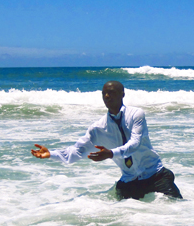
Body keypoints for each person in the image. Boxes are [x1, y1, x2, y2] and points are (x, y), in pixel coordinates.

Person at [31, 81, 182, 200]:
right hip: (129, 182)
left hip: (155, 176)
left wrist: (111, 154)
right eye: (104, 94)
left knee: (176, 211)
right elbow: (77, 151)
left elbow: (134, 144)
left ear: (122, 94)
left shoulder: (136, 114)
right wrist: (51, 154)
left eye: (111, 93)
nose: (107, 97)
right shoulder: (98, 128)